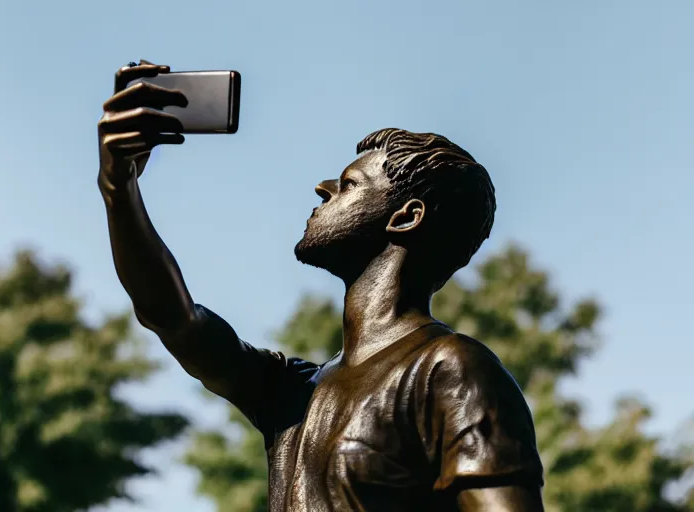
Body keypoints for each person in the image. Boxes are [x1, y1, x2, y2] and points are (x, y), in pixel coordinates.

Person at [97, 60, 545, 511]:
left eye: (349, 184)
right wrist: (120, 185)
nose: (323, 187)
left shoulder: (450, 370)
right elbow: (174, 318)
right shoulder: (291, 392)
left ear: (405, 216)